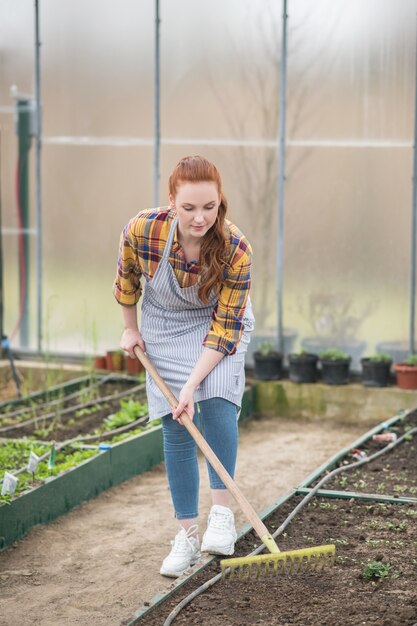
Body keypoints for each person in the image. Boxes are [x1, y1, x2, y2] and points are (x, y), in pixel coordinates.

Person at [113, 155, 254, 578]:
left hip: (217, 327)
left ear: (220, 202)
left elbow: (224, 329)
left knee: (217, 404)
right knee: (175, 427)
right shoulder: (143, 229)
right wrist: (130, 330)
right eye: (189, 208)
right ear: (171, 200)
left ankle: (222, 516)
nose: (199, 218)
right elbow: (127, 281)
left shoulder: (236, 250)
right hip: (164, 323)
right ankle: (187, 535)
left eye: (209, 208)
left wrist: (192, 385)